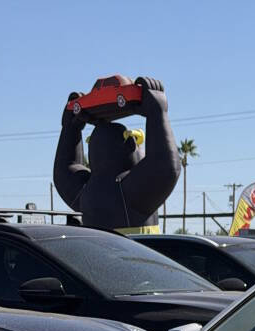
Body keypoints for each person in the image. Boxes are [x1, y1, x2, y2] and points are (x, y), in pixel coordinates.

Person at [53, 76, 179, 234]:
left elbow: (65, 168)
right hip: (138, 256)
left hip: (95, 256)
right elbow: (165, 166)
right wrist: (157, 111)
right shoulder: (130, 189)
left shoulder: (86, 192)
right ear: (130, 145)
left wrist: (70, 128)